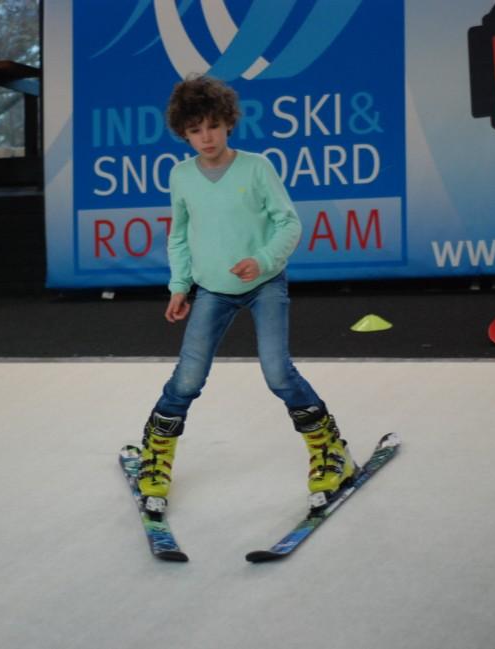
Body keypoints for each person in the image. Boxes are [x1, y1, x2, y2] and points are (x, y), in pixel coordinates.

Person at [137, 74, 357, 514]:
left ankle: (331, 449)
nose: (206, 137)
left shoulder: (256, 167)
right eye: (195, 129)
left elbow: (289, 223)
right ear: (183, 132)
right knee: (187, 379)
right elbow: (179, 236)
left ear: (228, 123)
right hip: (212, 291)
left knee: (278, 372)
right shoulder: (181, 177)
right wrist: (180, 286)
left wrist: (262, 260)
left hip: (264, 285)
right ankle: (155, 456)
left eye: (213, 126)